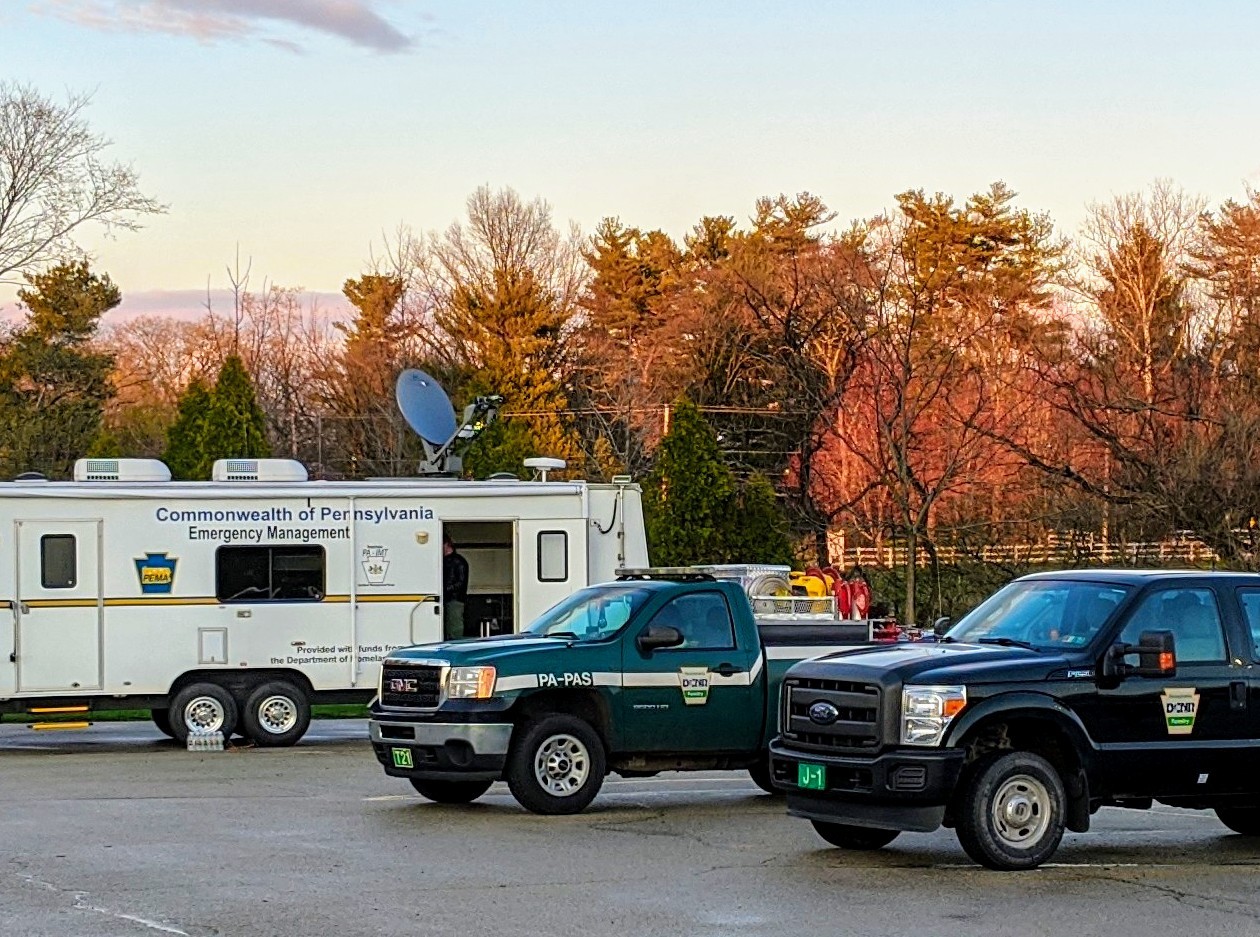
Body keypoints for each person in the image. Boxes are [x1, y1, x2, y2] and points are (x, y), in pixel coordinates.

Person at [443, 534, 469, 641]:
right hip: (453, 598)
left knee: (454, 627)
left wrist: (445, 589)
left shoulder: (457, 561)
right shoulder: (459, 561)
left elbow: (460, 583)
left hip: (455, 599)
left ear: (447, 545)